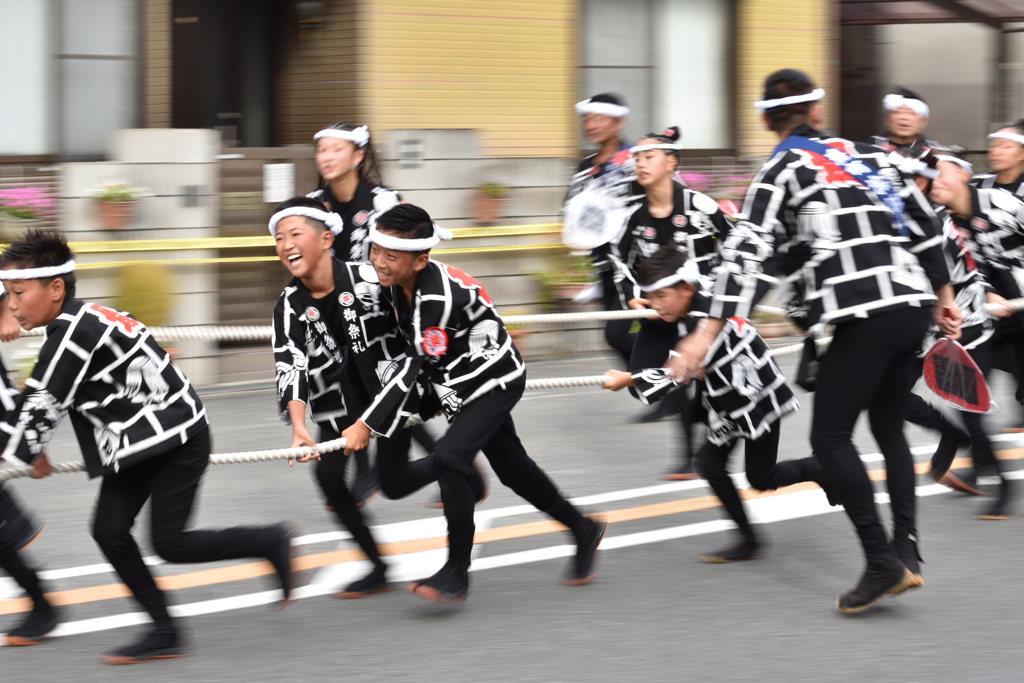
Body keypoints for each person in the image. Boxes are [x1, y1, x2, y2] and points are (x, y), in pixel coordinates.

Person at [673, 69, 962, 614]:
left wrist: (705, 332)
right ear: (817, 113)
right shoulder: (872, 156)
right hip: (913, 306)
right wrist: (945, 292)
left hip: (866, 316)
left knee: (831, 438)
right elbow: (926, 222)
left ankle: (882, 564)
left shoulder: (779, 169)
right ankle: (907, 548)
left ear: (765, 119)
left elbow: (744, 256)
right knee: (887, 428)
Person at [0, 230, 297, 664]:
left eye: (18, 293)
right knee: (108, 531)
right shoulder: (77, 323)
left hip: (177, 439)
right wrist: (32, 446)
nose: (10, 304)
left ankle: (270, 541)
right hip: (137, 442)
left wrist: (20, 453)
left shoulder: (71, 335)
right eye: (6, 294)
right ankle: (165, 631)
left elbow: (41, 404)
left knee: (170, 542)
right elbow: (43, 400)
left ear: (56, 288)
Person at [340, 203, 606, 605]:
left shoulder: (435, 301)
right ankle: (582, 528)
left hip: (493, 379)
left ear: (420, 259)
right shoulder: (395, 279)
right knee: (513, 470)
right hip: (454, 378)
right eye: (375, 250)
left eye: (390, 255)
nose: (378, 261)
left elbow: (412, 372)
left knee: (450, 456)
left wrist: (366, 424)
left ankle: (456, 572)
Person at [271, 197, 485, 597]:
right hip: (336, 407)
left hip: (390, 400)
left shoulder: (370, 277)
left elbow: (417, 318)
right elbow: (291, 364)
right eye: (279, 238)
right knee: (330, 478)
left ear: (325, 237)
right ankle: (376, 566)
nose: (286, 244)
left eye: (295, 234)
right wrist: (299, 426)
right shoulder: (289, 305)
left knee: (395, 483)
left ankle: (455, 464)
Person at [603, 247, 835, 562]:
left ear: (686, 288)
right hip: (727, 402)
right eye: (651, 297)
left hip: (755, 399)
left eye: (661, 296)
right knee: (710, 465)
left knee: (761, 478)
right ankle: (749, 540)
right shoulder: (699, 305)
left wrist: (627, 379)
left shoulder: (703, 321)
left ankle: (820, 468)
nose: (655, 306)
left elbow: (677, 373)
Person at [612, 127, 733, 480]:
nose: (640, 163)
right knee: (644, 387)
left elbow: (739, 246)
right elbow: (617, 260)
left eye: (649, 156)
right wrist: (631, 294)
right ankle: (691, 404)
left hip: (700, 311)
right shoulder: (633, 216)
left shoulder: (699, 205)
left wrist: (717, 288)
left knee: (682, 375)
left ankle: (689, 456)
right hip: (659, 313)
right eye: (637, 157)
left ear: (671, 162)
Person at [307, 121, 402, 505]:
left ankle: (370, 469)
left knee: (383, 392)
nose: (326, 158)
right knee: (348, 389)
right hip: (332, 316)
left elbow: (402, 257)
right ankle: (359, 470)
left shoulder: (382, 201)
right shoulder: (313, 204)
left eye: (336, 150)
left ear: (358, 156)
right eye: (321, 151)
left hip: (380, 316)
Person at [919, 156, 1016, 519]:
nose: (932, 183)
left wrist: (987, 292)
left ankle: (1003, 484)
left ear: (963, 173)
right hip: (953, 329)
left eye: (937, 175)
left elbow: (971, 268)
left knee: (975, 411)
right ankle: (979, 464)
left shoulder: (999, 204)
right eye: (926, 179)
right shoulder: (935, 220)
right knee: (968, 409)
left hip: (976, 325)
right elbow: (974, 266)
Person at [564, 93, 644, 366]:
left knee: (617, 334)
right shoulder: (585, 168)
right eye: (587, 119)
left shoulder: (634, 160)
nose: (590, 125)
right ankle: (666, 394)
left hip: (636, 265)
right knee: (617, 336)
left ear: (618, 121)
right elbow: (572, 212)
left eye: (598, 118)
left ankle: (663, 392)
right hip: (605, 267)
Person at [869, 87, 939, 156]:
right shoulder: (867, 150)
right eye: (897, 112)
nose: (903, 117)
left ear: (923, 121)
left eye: (911, 113)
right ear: (886, 118)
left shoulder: (938, 155)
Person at [972, 121, 1024, 198]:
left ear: (1022, 153)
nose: (995, 152)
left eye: (1006, 146)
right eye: (992, 146)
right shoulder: (975, 184)